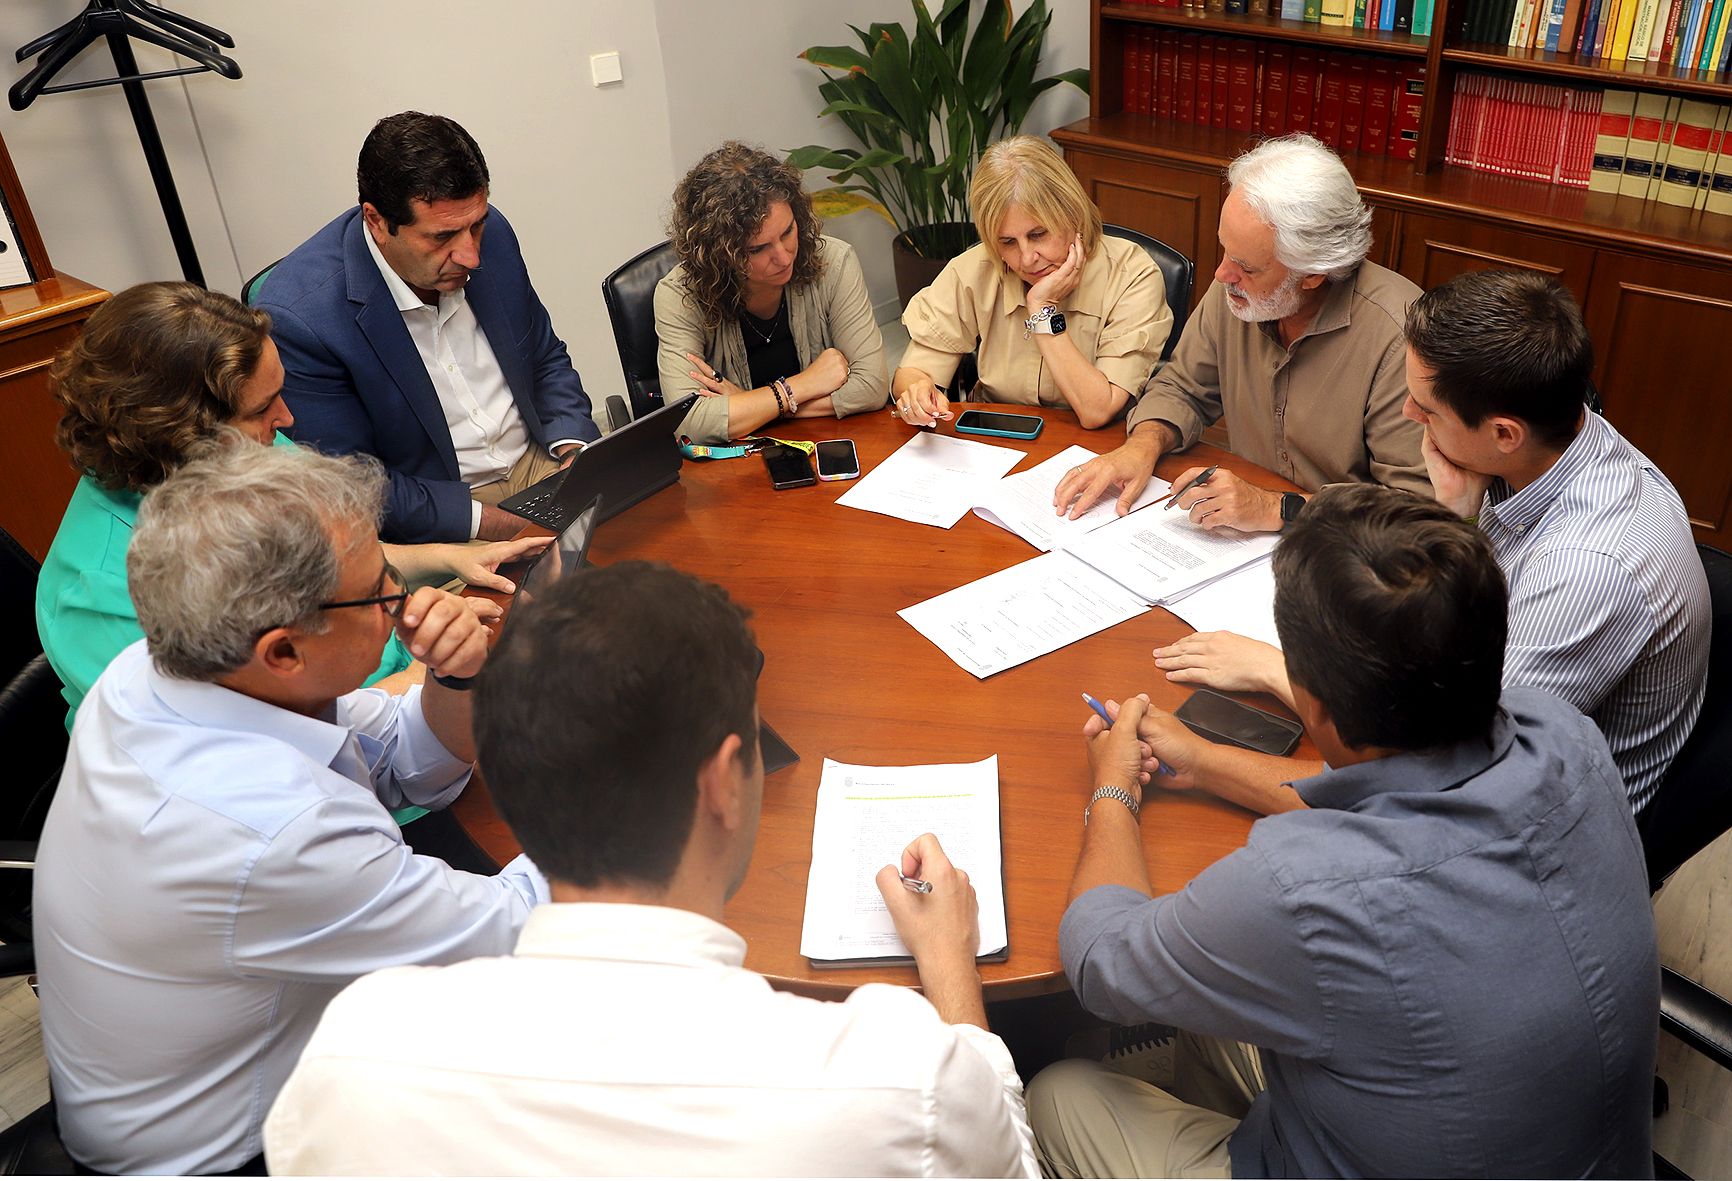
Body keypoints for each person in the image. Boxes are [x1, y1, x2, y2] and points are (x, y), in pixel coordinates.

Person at [264, 561, 1037, 1177]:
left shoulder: (352, 1053)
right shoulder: (902, 1078)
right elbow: (1009, 1155)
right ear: (723, 780)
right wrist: (950, 967)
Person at [1027, 484, 1659, 1178]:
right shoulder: (1565, 733)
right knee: (1217, 1011)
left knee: (1061, 1093)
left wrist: (1113, 785)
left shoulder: (1295, 891)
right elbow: (1400, 812)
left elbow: (1096, 957)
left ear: (1314, 707)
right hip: (1562, 1145)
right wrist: (1205, 761)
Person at [34, 440, 549, 1176]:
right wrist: (642, 772)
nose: (404, 601)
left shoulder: (156, 669)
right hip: (235, 1153)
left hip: (185, 1073)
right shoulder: (273, 830)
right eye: (379, 591)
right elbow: (521, 929)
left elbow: (412, 766)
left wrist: (459, 677)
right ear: (282, 651)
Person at [1151, 270, 1710, 813]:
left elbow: (1441, 774)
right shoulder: (1559, 439)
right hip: (1472, 746)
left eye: (1427, 408)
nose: (1407, 413)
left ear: (1503, 434)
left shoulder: (1588, 568)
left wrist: (1274, 677)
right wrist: (1456, 519)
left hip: (1532, 830)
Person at [35, 281, 543, 729]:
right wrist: (431, 679)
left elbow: (335, 569)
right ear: (181, 433)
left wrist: (448, 557)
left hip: (398, 694)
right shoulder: (97, 593)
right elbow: (252, 749)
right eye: (261, 409)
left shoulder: (241, 451)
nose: (288, 419)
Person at [1054, 134, 1428, 532]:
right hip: (1241, 542)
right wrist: (1143, 445)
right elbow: (1182, 388)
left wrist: (1277, 507)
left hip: (1345, 550)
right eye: (1225, 250)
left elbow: (1414, 510)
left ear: (1314, 274)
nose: (1221, 275)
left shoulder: (1399, 337)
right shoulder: (1237, 291)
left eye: (1247, 266)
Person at [257, 111, 600, 544]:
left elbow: (544, 356)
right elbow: (353, 483)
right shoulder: (303, 318)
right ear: (377, 222)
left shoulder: (490, 236)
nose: (471, 255)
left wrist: (577, 452)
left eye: (477, 225)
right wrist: (501, 525)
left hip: (540, 461)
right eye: (442, 238)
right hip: (440, 510)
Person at [893, 135, 1172, 430]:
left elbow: (1097, 410)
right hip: (995, 438)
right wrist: (917, 392)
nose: (1026, 259)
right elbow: (912, 372)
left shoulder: (1133, 275)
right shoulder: (976, 267)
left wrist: (1043, 311)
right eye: (1008, 241)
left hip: (1095, 448)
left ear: (1073, 213)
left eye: (1038, 235)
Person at [654, 140, 889, 444]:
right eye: (758, 248)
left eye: (788, 231)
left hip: (824, 446)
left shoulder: (834, 261)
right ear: (720, 254)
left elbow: (871, 387)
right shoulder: (679, 296)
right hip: (735, 466)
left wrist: (751, 404)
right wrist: (800, 387)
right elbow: (690, 423)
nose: (784, 256)